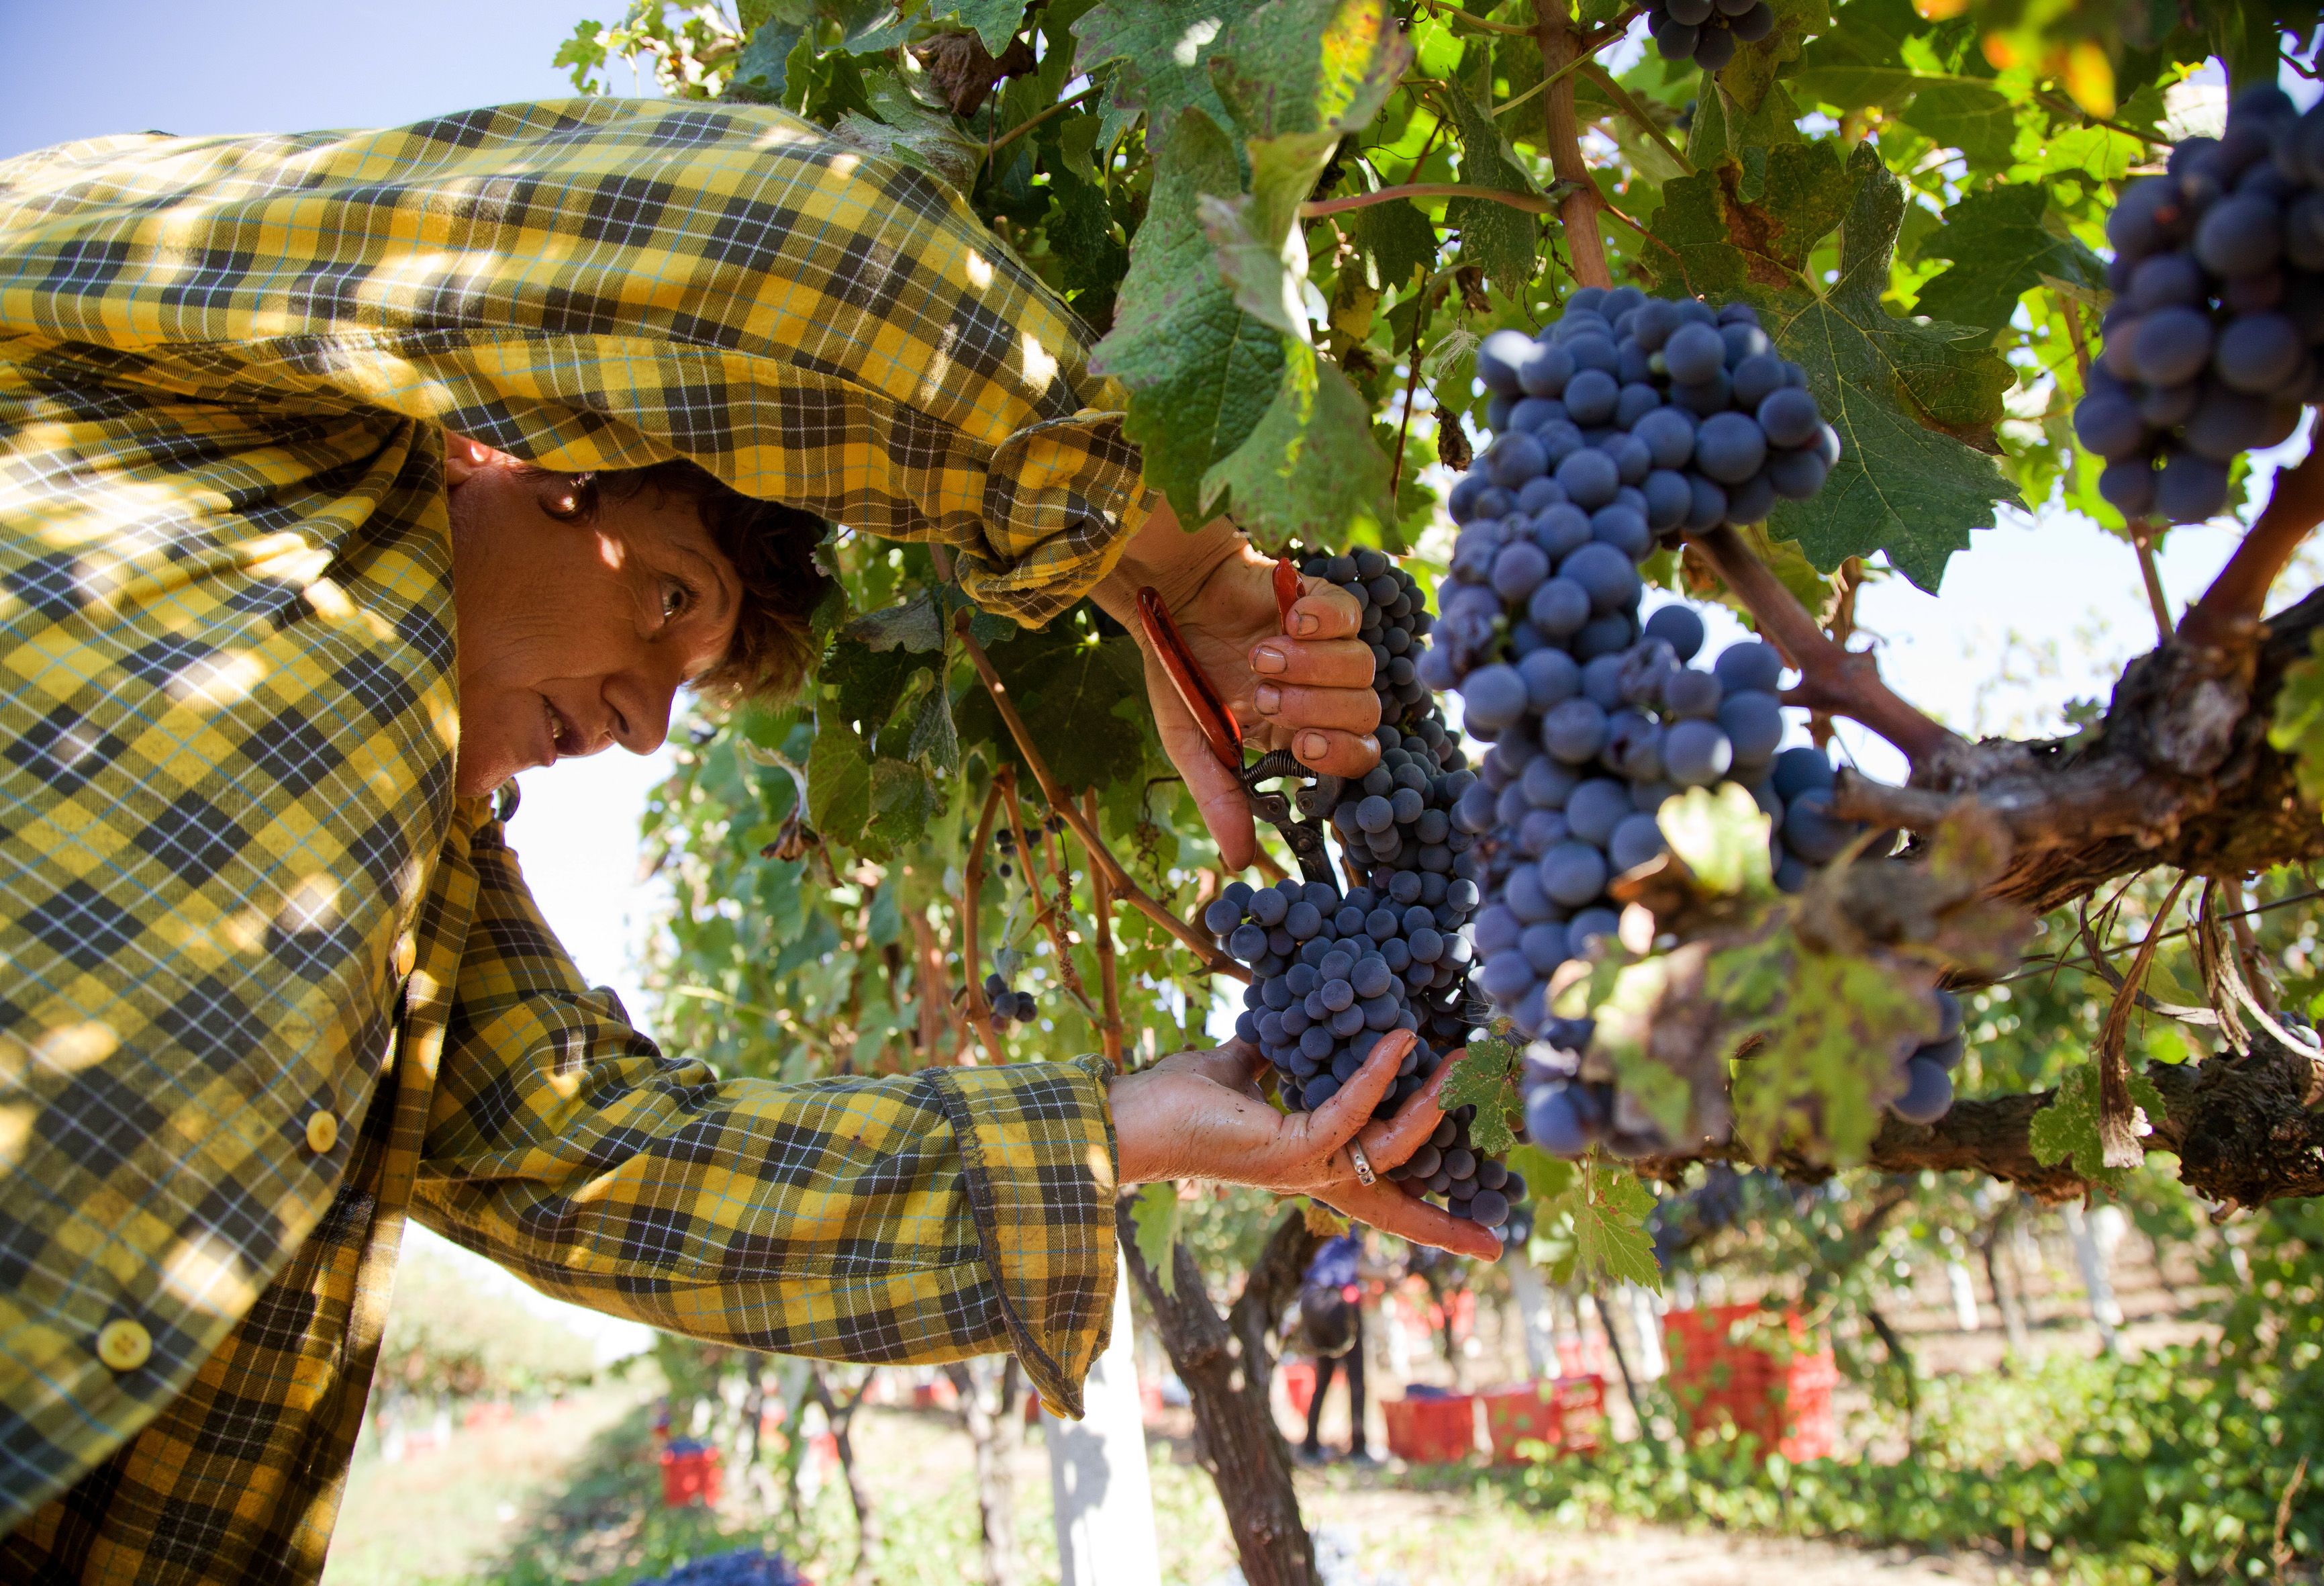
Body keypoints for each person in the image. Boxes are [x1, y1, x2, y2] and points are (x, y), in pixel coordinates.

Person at [0, 97, 1500, 1581]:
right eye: (667, 598)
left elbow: (594, 1161)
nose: (642, 727)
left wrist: (1130, 1129)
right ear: (502, 448)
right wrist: (1174, 570)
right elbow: (784, 249)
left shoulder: (410, 897)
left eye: (684, 681)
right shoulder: (198, 368)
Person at [1295, 1231, 1384, 1467]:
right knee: (1356, 1378)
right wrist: (1391, 1273)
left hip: (1310, 1300)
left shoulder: (1320, 1228)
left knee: (1323, 1377)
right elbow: (1361, 1267)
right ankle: (1358, 1450)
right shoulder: (1351, 1230)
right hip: (1337, 1302)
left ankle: (1310, 1448)